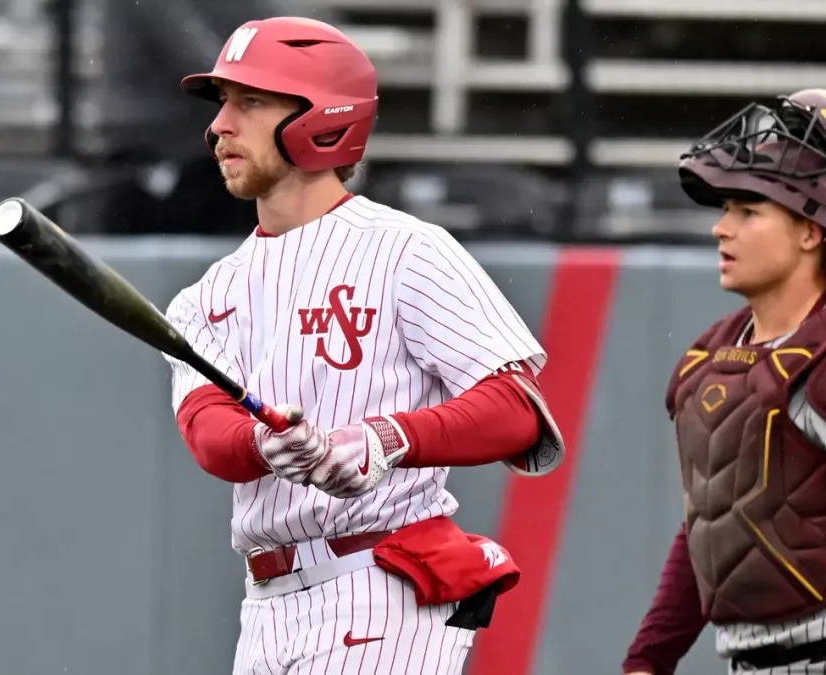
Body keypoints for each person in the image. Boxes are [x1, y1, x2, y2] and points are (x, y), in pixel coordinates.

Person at [161, 17, 566, 674]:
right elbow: (209, 433)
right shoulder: (205, 296)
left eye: (251, 101)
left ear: (322, 118)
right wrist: (266, 444)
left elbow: (517, 408)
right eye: (222, 104)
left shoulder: (407, 249)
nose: (219, 125)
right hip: (265, 605)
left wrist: (382, 438)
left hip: (378, 583)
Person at [623, 89, 826, 675]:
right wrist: (648, 660)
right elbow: (714, 523)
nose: (720, 229)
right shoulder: (710, 355)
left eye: (746, 210)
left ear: (811, 230)